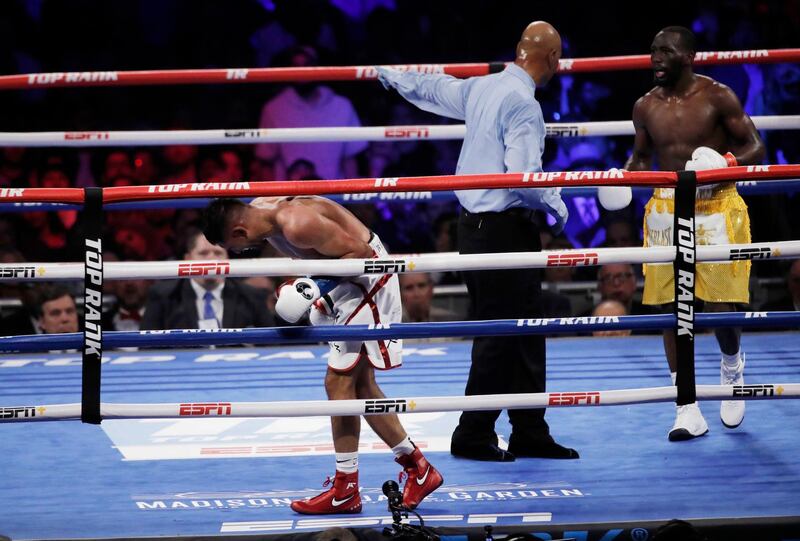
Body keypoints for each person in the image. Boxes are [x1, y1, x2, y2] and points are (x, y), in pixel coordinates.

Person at [377, 21, 576, 461]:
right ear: (552, 60)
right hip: (503, 228)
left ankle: (529, 428)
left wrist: (393, 74)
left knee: (527, 330)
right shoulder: (524, 104)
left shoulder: (484, 88)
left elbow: (434, 89)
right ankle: (472, 432)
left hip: (477, 228)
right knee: (500, 332)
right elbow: (522, 178)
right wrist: (558, 208)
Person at [201, 196, 442, 514]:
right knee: (361, 387)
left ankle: (346, 489)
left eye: (233, 245)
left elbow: (361, 254)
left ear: (240, 232)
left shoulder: (296, 224)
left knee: (338, 383)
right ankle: (419, 468)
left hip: (366, 278)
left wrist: (311, 289)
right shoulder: (264, 212)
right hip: (347, 279)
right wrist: (302, 287)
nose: (239, 252)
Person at [625, 26, 765, 440]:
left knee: (722, 306)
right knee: (669, 308)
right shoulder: (644, 106)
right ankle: (686, 405)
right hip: (667, 208)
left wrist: (723, 162)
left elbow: (756, 146)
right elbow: (640, 158)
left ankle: (732, 365)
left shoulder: (718, 96)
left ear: (688, 56)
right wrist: (619, 176)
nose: (656, 58)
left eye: (665, 51)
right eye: (652, 51)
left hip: (717, 206)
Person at [255, 46, 367, 180]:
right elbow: (266, 161)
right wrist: (271, 199)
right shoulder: (274, 108)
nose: (302, 73)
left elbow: (350, 159)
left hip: (333, 195)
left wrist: (350, 199)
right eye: (296, 66)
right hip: (289, 197)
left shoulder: (341, 106)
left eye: (306, 65)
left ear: (317, 67)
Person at [140, 230, 273, 331]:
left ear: (227, 259)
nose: (211, 260)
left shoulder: (252, 296)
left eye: (218, 253)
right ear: (187, 259)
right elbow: (146, 347)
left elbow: (271, 346)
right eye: (203, 253)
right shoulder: (163, 295)